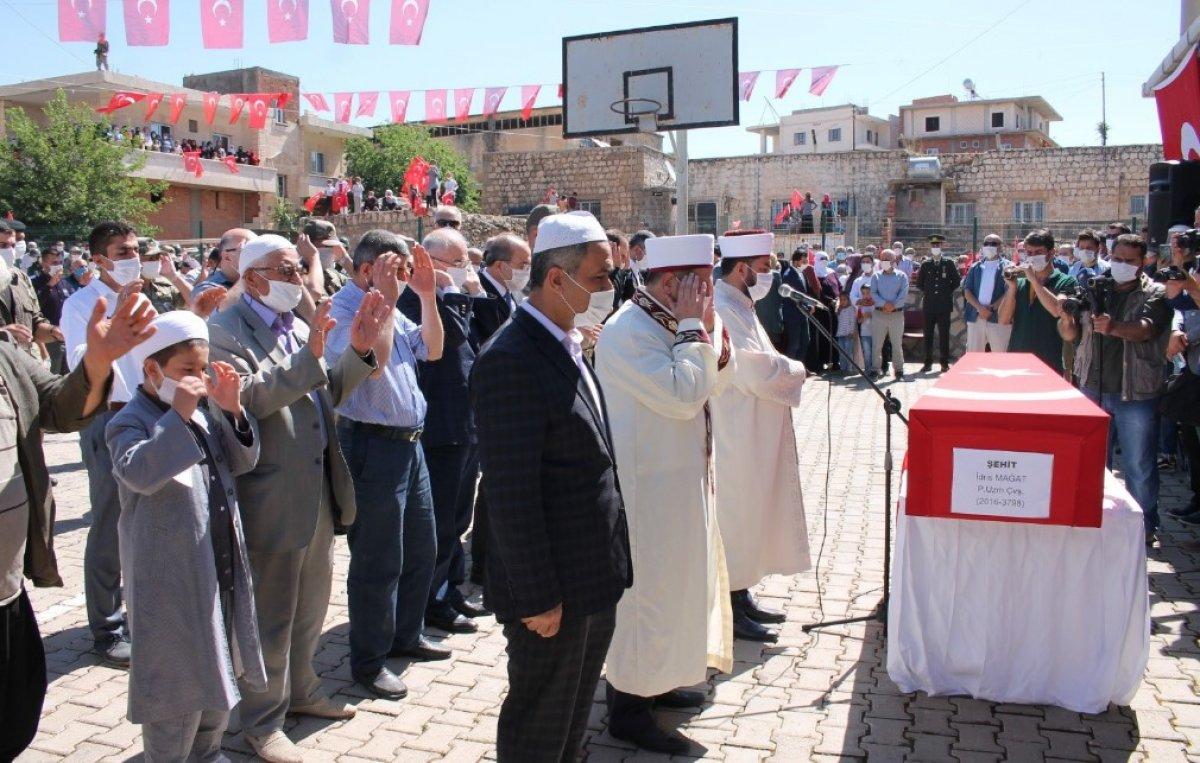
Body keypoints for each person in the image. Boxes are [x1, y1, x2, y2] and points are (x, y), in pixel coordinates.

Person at [207, 235, 391, 762]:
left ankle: (304, 690)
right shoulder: (223, 330)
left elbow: (325, 395)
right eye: (285, 270)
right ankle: (262, 720)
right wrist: (310, 355)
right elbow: (248, 399)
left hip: (315, 490)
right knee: (270, 613)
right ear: (255, 277)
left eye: (297, 268)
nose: (296, 278)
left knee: (310, 604)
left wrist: (358, 351)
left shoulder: (291, 328)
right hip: (269, 495)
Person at [471, 211, 631, 761]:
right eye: (601, 277)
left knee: (569, 721)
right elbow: (511, 494)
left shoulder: (565, 340)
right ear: (556, 280)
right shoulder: (510, 360)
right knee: (540, 724)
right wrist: (538, 596)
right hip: (551, 592)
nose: (612, 288)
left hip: (589, 574)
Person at [0, 275, 153, 761]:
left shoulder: (4, 358)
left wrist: (98, 361)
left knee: (11, 716)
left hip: (6, 588)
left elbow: (59, 407)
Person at [595, 232, 734, 754]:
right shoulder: (628, 331)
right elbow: (682, 396)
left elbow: (717, 380)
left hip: (681, 480)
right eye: (700, 287)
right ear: (672, 283)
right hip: (647, 488)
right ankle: (628, 707)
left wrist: (706, 327)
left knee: (679, 586)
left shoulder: (671, 319)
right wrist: (699, 329)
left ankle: (662, 678)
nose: (707, 296)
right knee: (647, 596)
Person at [106, 311, 263, 762]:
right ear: (152, 370)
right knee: (176, 685)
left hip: (216, 564)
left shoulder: (202, 412)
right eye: (186, 371)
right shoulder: (130, 420)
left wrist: (232, 410)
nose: (198, 380)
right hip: (168, 576)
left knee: (218, 670)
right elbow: (139, 473)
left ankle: (209, 751)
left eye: (203, 369)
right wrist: (179, 414)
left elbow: (240, 463)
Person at [327, 231, 448, 699]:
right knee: (379, 559)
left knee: (421, 546)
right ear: (366, 270)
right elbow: (369, 370)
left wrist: (426, 296)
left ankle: (405, 634)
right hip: (372, 446)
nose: (401, 277)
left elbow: (431, 349)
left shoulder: (393, 302)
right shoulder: (345, 311)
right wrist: (389, 303)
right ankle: (369, 660)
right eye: (394, 269)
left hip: (409, 444)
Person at [60, 222, 156, 668]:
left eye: (136, 249)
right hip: (107, 419)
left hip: (148, 417)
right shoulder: (83, 305)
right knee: (109, 522)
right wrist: (116, 320)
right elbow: (83, 364)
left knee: (148, 518)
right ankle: (108, 626)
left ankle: (144, 614)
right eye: (123, 250)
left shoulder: (144, 300)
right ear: (99, 259)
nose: (133, 256)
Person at [712, 231, 808, 646]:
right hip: (735, 429)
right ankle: (730, 606)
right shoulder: (722, 306)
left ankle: (743, 594)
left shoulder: (741, 303)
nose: (771, 274)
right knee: (737, 514)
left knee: (750, 514)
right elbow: (751, 369)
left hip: (752, 425)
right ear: (741, 269)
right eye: (766, 267)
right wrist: (795, 370)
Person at [398, 228, 488, 636]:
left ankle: (449, 588)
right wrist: (448, 292)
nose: (463, 269)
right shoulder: (414, 298)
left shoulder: (456, 294)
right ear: (429, 263)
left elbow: (485, 334)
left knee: (458, 515)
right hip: (440, 424)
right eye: (455, 261)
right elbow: (448, 341)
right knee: (441, 519)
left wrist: (470, 293)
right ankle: (430, 599)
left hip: (464, 421)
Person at [1062, 234, 1171, 543]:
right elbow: (1071, 335)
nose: (1121, 265)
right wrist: (1066, 315)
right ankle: (1095, 520)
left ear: (1143, 262)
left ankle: (1144, 527)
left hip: (1134, 391)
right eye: (1117, 258)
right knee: (1094, 462)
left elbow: (1146, 330)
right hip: (1092, 387)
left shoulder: (1156, 293)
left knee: (1138, 464)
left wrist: (1114, 327)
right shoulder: (1094, 286)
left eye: (1129, 261)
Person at [999, 230, 1078, 375]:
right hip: (1017, 359)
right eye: (1029, 253)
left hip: (1049, 362)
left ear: (1051, 253)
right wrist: (1011, 288)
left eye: (1038, 252)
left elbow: (1057, 310)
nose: (1033, 257)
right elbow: (1003, 319)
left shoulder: (1066, 281)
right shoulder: (1021, 282)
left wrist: (1034, 281)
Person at [0, 222, 60, 363]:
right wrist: (4, 333)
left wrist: (53, 332)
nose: (10, 251)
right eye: (3, 246)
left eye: (13, 245)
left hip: (23, 366)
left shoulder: (21, 278)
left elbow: (34, 323)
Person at [916, 234, 961, 372]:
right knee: (928, 335)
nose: (935, 247)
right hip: (929, 305)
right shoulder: (925, 264)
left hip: (943, 305)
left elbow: (956, 281)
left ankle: (944, 362)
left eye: (938, 245)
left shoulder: (948, 263)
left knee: (944, 335)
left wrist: (945, 292)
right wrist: (929, 292)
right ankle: (927, 362)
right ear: (931, 247)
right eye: (933, 245)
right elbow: (919, 283)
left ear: (942, 246)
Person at [961, 235, 1011, 353]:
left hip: (999, 318)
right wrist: (980, 309)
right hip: (976, 317)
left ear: (1000, 247)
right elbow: (967, 291)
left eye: (993, 244)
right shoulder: (975, 267)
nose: (989, 246)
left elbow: (1010, 291)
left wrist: (992, 308)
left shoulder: (1009, 267)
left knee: (1000, 356)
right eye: (986, 244)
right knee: (973, 356)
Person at [31, 247, 77, 373]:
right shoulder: (34, 283)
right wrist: (49, 286)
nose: (58, 266)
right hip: (49, 339)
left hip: (68, 337)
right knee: (52, 375)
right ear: (43, 263)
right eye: (54, 263)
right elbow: (33, 306)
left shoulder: (64, 283)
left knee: (68, 377)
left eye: (60, 262)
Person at [869, 249, 909, 381]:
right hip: (879, 314)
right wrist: (885, 304)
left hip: (896, 315)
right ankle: (875, 370)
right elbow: (873, 293)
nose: (885, 261)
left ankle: (899, 371)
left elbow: (903, 295)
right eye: (883, 258)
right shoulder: (876, 276)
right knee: (877, 344)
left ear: (894, 261)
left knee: (897, 344)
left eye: (888, 258)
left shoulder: (902, 276)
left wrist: (893, 306)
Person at [192, 228, 253, 302]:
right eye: (247, 249)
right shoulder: (206, 288)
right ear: (227, 257)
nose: (256, 254)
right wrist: (245, 273)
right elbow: (222, 310)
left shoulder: (260, 280)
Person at [779, 248, 812, 364]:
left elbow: (804, 293)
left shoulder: (801, 273)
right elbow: (792, 296)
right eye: (803, 261)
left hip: (803, 315)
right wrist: (807, 307)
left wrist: (810, 305)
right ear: (796, 261)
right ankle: (790, 369)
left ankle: (800, 367)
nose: (805, 263)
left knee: (805, 341)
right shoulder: (789, 275)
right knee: (794, 344)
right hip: (793, 315)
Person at [849, 253, 876, 374]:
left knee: (878, 344)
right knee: (866, 345)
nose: (865, 264)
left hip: (877, 316)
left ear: (873, 264)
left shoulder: (878, 277)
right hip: (862, 317)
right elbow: (853, 296)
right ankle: (868, 368)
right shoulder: (857, 281)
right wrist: (860, 302)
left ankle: (880, 367)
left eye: (868, 262)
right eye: (863, 262)